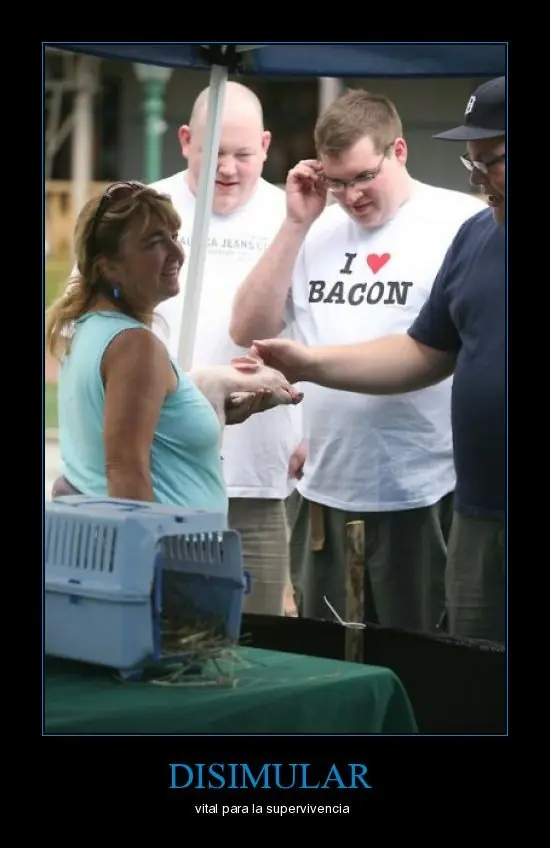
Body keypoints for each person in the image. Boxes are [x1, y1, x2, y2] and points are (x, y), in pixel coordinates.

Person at [245, 76, 506, 643]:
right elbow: (422, 352)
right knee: (457, 667)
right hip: (451, 504)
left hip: (428, 490)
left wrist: (314, 363)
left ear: (398, 151)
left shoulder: (452, 220)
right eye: (474, 163)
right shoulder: (476, 236)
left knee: (426, 653)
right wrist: (310, 362)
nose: (481, 178)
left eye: (496, 161)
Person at [45, 182, 301, 510]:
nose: (177, 253)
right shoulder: (133, 345)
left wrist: (199, 408)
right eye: (154, 242)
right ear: (108, 266)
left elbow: (141, 428)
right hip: (167, 541)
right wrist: (147, 543)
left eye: (174, 236)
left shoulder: (89, 327)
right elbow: (125, 474)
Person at [149, 82, 303, 616]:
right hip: (158, 466)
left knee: (258, 633)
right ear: (185, 140)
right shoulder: (143, 209)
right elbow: (82, 324)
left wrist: (315, 431)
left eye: (243, 154)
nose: (228, 169)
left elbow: (324, 331)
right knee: (166, 625)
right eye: (213, 151)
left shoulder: (295, 215)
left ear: (265, 145)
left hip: (257, 474)